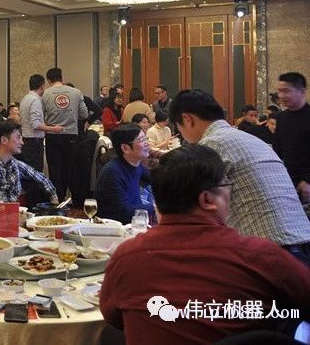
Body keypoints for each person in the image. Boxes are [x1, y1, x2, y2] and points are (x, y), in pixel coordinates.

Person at [100, 144, 310, 345]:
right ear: (207, 200)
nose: (230, 193)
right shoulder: (261, 256)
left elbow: (113, 317)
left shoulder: (126, 257)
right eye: (226, 185)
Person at [169, 89, 310, 265]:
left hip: (268, 254)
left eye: (179, 128)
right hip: (301, 245)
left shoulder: (211, 143)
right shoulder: (250, 139)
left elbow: (196, 207)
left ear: (187, 119)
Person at [0, 120, 58, 212]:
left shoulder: (16, 164)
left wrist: (54, 199)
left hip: (11, 216)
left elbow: (42, 178)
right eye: (18, 137)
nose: (22, 142)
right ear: (4, 140)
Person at [42, 68, 89, 203]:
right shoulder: (76, 92)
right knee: (71, 168)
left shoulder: (45, 94)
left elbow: (41, 116)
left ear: (49, 80)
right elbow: (84, 114)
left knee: (55, 170)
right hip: (71, 135)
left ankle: (58, 200)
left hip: (52, 135)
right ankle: (77, 200)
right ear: (61, 77)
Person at [95, 124, 155, 224]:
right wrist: (157, 207)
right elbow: (123, 212)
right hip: (115, 228)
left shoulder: (136, 163)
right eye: (141, 140)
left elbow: (155, 179)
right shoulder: (112, 172)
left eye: (146, 138)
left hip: (134, 222)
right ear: (125, 148)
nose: (147, 143)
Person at [273, 72, 310, 201]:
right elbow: (277, 151)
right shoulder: (281, 117)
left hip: (306, 184)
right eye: (279, 91)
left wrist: (308, 180)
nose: (281, 96)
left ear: (302, 91)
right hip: (287, 182)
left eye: (286, 91)